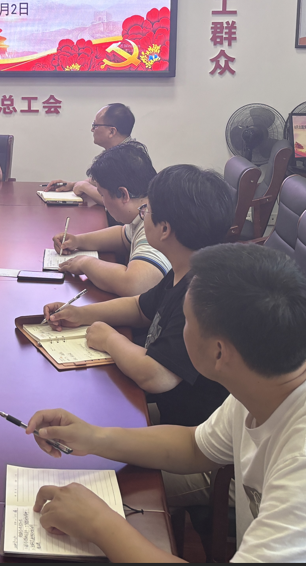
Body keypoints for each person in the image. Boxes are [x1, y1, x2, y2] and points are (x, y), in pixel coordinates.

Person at [26, 244, 306, 563]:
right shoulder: (273, 378)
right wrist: (93, 437)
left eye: (185, 321)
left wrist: (101, 525)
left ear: (219, 352)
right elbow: (195, 446)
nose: (178, 331)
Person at [43, 165, 233, 427]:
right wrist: (80, 314)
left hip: (187, 428)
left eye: (146, 211)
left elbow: (155, 375)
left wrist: (110, 339)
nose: (141, 217)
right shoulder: (185, 267)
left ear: (164, 229)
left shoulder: (201, 295)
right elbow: (140, 308)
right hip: (164, 410)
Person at [51, 142, 168, 296]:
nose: (103, 202)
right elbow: (122, 236)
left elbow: (134, 284)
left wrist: (85, 263)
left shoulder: (155, 223)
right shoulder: (146, 209)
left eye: (102, 194)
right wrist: (77, 241)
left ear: (123, 194)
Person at [47, 103, 141, 205]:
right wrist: (72, 184)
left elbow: (115, 200)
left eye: (95, 126)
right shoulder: (123, 150)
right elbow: (105, 183)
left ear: (112, 131)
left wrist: (84, 187)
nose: (92, 130)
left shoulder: (127, 157)